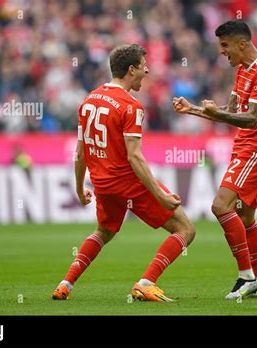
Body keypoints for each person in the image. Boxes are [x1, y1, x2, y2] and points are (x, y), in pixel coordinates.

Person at [52, 44, 196, 302]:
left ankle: (65, 284)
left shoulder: (89, 100)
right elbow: (135, 157)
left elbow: (80, 152)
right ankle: (146, 283)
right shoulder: (131, 106)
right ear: (131, 70)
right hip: (128, 182)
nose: (148, 70)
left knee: (103, 232)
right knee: (185, 230)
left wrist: (78, 187)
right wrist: (159, 195)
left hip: (102, 184)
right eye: (144, 66)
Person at [173, 20, 257, 300]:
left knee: (220, 205)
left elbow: (251, 119)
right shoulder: (243, 71)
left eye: (225, 46)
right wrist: (194, 110)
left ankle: (246, 277)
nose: (222, 52)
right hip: (245, 148)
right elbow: (230, 110)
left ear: (242, 43)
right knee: (245, 216)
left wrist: (214, 115)